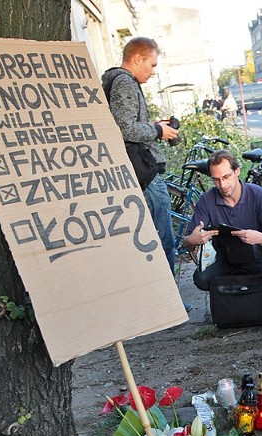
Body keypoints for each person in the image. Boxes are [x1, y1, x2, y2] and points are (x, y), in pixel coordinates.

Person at [102, 37, 179, 278]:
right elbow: (124, 127)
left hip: (133, 168)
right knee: (162, 236)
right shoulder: (124, 82)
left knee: (147, 236)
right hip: (143, 170)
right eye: (152, 65)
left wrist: (154, 126)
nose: (154, 72)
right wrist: (158, 131)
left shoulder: (112, 80)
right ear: (137, 59)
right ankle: (170, 303)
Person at [182, 150, 262, 291]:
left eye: (226, 177)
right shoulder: (207, 199)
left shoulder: (259, 195)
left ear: (237, 171)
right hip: (225, 253)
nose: (222, 185)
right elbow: (187, 243)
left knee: (252, 260)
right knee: (201, 279)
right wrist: (192, 240)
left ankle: (248, 292)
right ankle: (227, 295)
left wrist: (260, 238)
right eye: (216, 179)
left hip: (257, 252)